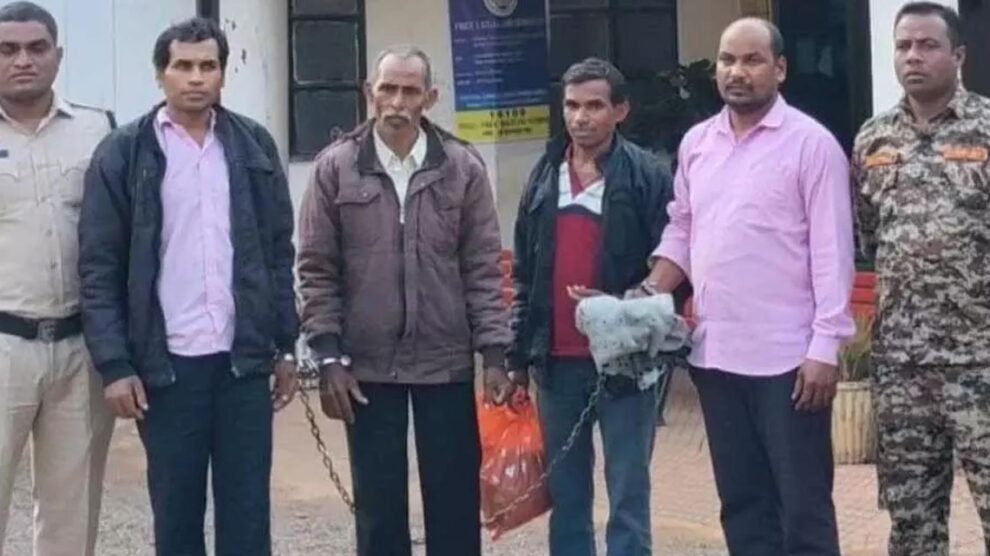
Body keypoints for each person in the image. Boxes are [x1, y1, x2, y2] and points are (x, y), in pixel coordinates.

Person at [78, 17, 298, 556]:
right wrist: (115, 365)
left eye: (208, 66)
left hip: (242, 362)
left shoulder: (253, 145)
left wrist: (286, 345)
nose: (196, 78)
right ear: (161, 74)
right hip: (167, 366)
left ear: (223, 73)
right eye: (183, 66)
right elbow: (100, 265)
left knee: (247, 515)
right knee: (176, 515)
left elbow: (277, 251)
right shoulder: (124, 153)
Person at [640, 18, 855, 555]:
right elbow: (683, 227)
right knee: (743, 506)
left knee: (803, 510)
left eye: (752, 60)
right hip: (716, 356)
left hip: (790, 363)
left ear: (779, 69)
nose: (737, 71)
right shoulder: (698, 143)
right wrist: (646, 295)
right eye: (727, 60)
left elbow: (833, 252)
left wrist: (825, 347)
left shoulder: (812, 145)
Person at [296, 45, 512, 556]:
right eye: (387, 89)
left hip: (445, 361)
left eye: (410, 91)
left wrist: (495, 354)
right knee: (378, 510)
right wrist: (328, 355)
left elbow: (483, 267)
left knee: (455, 505)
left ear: (429, 98)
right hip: (366, 366)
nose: (397, 102)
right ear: (368, 93)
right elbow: (316, 269)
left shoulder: (462, 168)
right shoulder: (335, 168)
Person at [507, 57, 675, 556]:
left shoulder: (648, 176)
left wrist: (623, 308)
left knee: (628, 495)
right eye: (572, 105)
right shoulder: (544, 174)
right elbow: (523, 272)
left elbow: (674, 262)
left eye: (595, 106)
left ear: (620, 110)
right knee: (567, 498)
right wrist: (517, 357)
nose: (581, 117)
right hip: (556, 368)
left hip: (626, 365)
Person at [853, 3, 990, 553]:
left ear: (958, 55)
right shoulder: (873, 139)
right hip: (903, 369)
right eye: (903, 46)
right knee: (912, 527)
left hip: (981, 363)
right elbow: (870, 237)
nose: (913, 56)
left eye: (928, 45)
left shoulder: (986, 128)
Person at [0, 3, 115, 555]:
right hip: (3, 345)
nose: (23, 60)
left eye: (36, 48)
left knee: (72, 515)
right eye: (7, 50)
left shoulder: (98, 131)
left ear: (58, 56)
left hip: (79, 349)